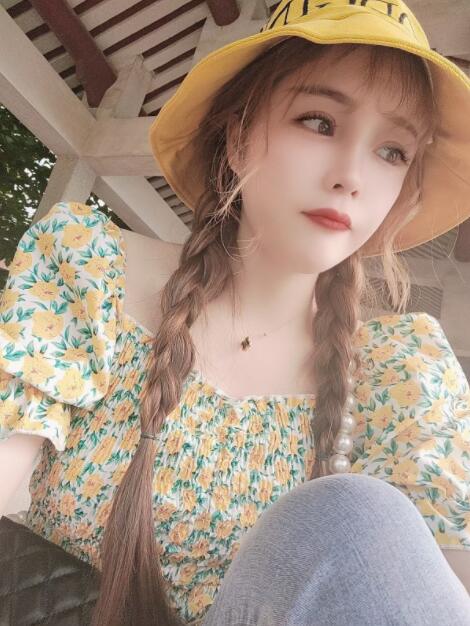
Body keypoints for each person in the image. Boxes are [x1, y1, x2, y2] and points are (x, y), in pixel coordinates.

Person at [1, 0, 470, 625]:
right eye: (319, 122)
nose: (352, 176)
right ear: (237, 131)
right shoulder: (92, 268)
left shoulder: (402, 378)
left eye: (393, 152)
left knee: (362, 518)